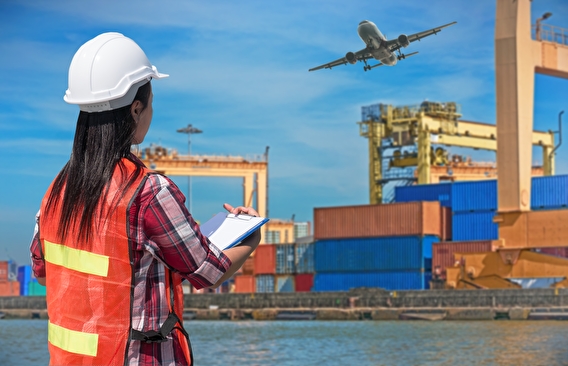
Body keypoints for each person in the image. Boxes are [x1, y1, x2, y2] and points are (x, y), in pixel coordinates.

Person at [29, 32, 261, 366]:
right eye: (150, 104)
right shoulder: (148, 191)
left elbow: (42, 271)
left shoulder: (56, 191)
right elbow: (207, 271)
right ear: (136, 108)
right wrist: (250, 236)